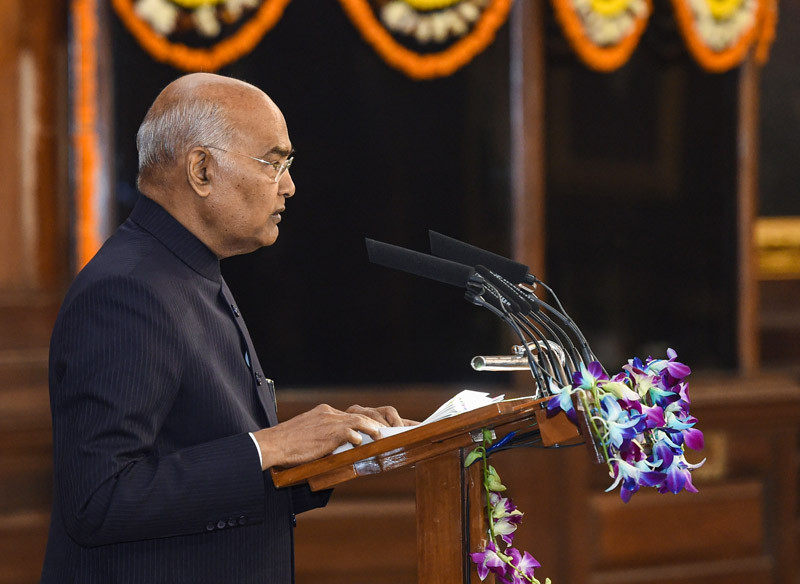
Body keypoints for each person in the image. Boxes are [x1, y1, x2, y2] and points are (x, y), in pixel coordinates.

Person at [40, 73, 411, 583]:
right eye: (273, 162)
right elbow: (99, 499)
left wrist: (344, 450)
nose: (289, 185)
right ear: (201, 169)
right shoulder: (126, 290)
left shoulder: (187, 269)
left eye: (288, 164)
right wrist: (271, 446)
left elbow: (208, 465)